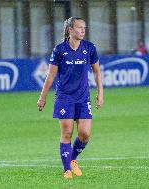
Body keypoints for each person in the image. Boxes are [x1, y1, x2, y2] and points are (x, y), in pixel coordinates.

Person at [37, 17, 104, 179]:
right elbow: (51, 75)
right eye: (79, 27)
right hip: (64, 97)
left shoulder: (89, 48)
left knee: (85, 134)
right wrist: (43, 97)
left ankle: (72, 159)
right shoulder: (59, 50)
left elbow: (97, 71)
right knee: (67, 132)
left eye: (84, 28)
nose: (83, 30)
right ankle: (67, 169)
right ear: (70, 30)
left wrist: (100, 93)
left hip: (83, 98)